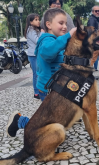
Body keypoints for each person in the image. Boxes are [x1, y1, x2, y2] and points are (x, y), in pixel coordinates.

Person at [6, 8, 77, 137]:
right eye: (61, 23)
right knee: (48, 121)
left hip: (56, 88)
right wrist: (68, 36)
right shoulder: (47, 40)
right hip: (48, 89)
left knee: (53, 118)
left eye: (66, 24)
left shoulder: (55, 40)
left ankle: (23, 122)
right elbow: (49, 52)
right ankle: (20, 121)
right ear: (49, 25)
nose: (65, 27)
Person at [24, 13, 42, 100]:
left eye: (38, 19)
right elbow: (37, 41)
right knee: (36, 74)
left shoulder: (35, 29)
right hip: (33, 55)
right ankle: (36, 92)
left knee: (38, 73)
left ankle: (39, 91)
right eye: (36, 20)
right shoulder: (31, 30)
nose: (38, 21)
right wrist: (43, 33)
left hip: (36, 54)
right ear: (31, 22)